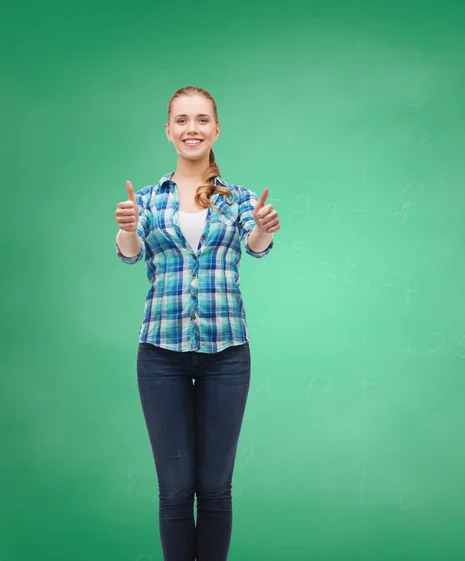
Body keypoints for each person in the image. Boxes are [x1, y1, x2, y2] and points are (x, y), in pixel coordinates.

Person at [114, 86, 280, 561]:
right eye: (182, 120)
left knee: (213, 488)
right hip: (160, 354)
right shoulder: (146, 199)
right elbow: (129, 255)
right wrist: (128, 228)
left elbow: (256, 245)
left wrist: (265, 227)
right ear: (169, 131)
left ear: (216, 129)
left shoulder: (238, 198)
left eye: (202, 120)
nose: (192, 128)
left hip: (227, 355)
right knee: (174, 489)